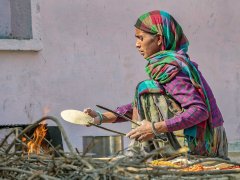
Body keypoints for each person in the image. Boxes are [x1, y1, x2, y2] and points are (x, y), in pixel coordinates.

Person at [84, 10, 228, 159]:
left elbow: (199, 110)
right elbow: (142, 106)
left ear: (159, 39)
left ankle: (139, 153)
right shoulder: (172, 63)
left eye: (141, 38)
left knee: (145, 87)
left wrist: (154, 129)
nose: (137, 44)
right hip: (207, 138)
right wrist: (100, 117)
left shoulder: (170, 67)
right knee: (148, 90)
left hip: (205, 142)